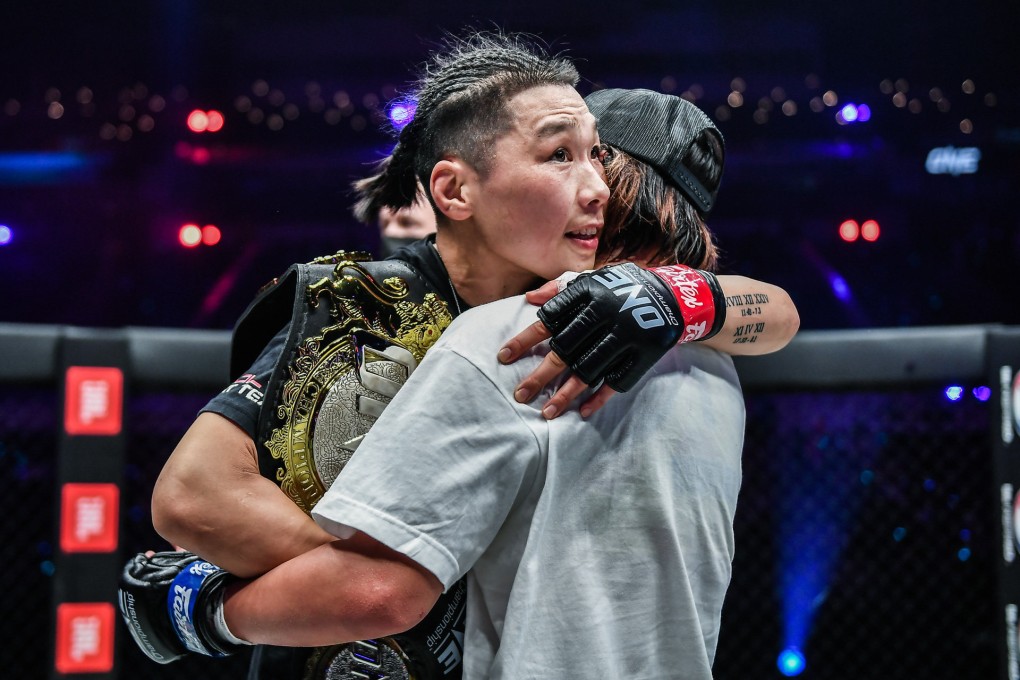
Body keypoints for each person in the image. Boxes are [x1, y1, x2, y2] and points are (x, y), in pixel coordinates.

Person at [118, 31, 796, 679]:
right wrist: (385, 578)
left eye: (595, 157)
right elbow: (194, 496)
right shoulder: (365, 302)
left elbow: (777, 313)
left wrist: (213, 609)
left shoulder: (565, 328)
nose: (589, 185)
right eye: (563, 155)